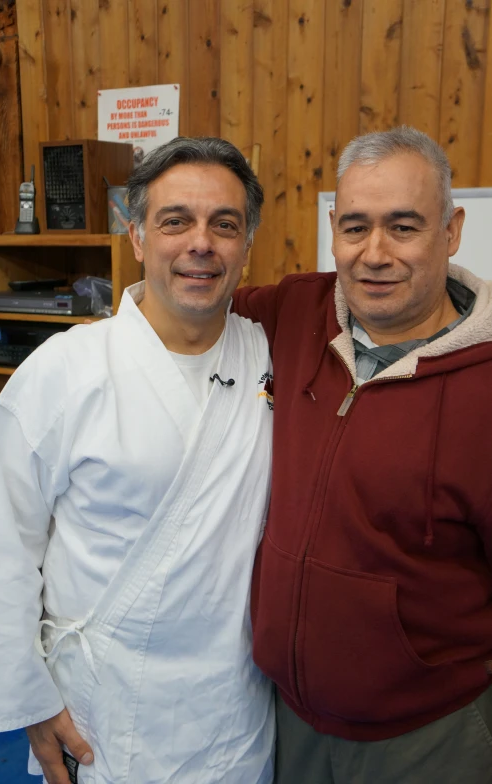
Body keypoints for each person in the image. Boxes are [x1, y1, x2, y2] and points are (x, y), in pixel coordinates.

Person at [0, 137, 275, 784]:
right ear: (137, 236)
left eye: (224, 224)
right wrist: (31, 697)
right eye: (175, 221)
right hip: (104, 714)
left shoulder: (272, 358)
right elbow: (9, 549)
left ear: (246, 244)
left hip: (233, 710)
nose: (201, 242)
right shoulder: (62, 372)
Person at [233, 126, 492, 783]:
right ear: (332, 229)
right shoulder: (294, 309)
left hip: (426, 735)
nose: (374, 254)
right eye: (354, 227)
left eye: (402, 227)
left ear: (451, 229)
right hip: (285, 716)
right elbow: (187, 310)